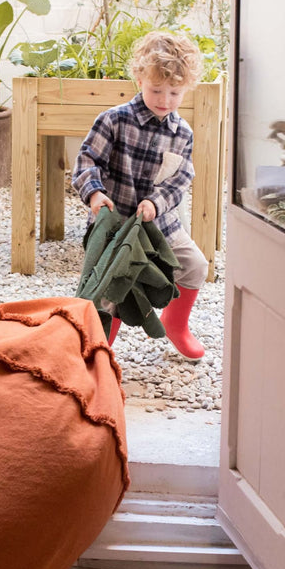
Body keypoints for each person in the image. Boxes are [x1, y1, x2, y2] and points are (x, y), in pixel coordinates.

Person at [72, 30, 208, 360]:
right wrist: (94, 194)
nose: (165, 99)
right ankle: (99, 350)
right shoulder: (115, 120)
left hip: (161, 226)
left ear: (186, 89)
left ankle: (176, 325)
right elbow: (88, 159)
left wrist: (155, 203)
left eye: (175, 92)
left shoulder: (183, 133)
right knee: (109, 289)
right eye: (156, 90)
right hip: (117, 225)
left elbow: (179, 180)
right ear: (139, 78)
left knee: (195, 266)